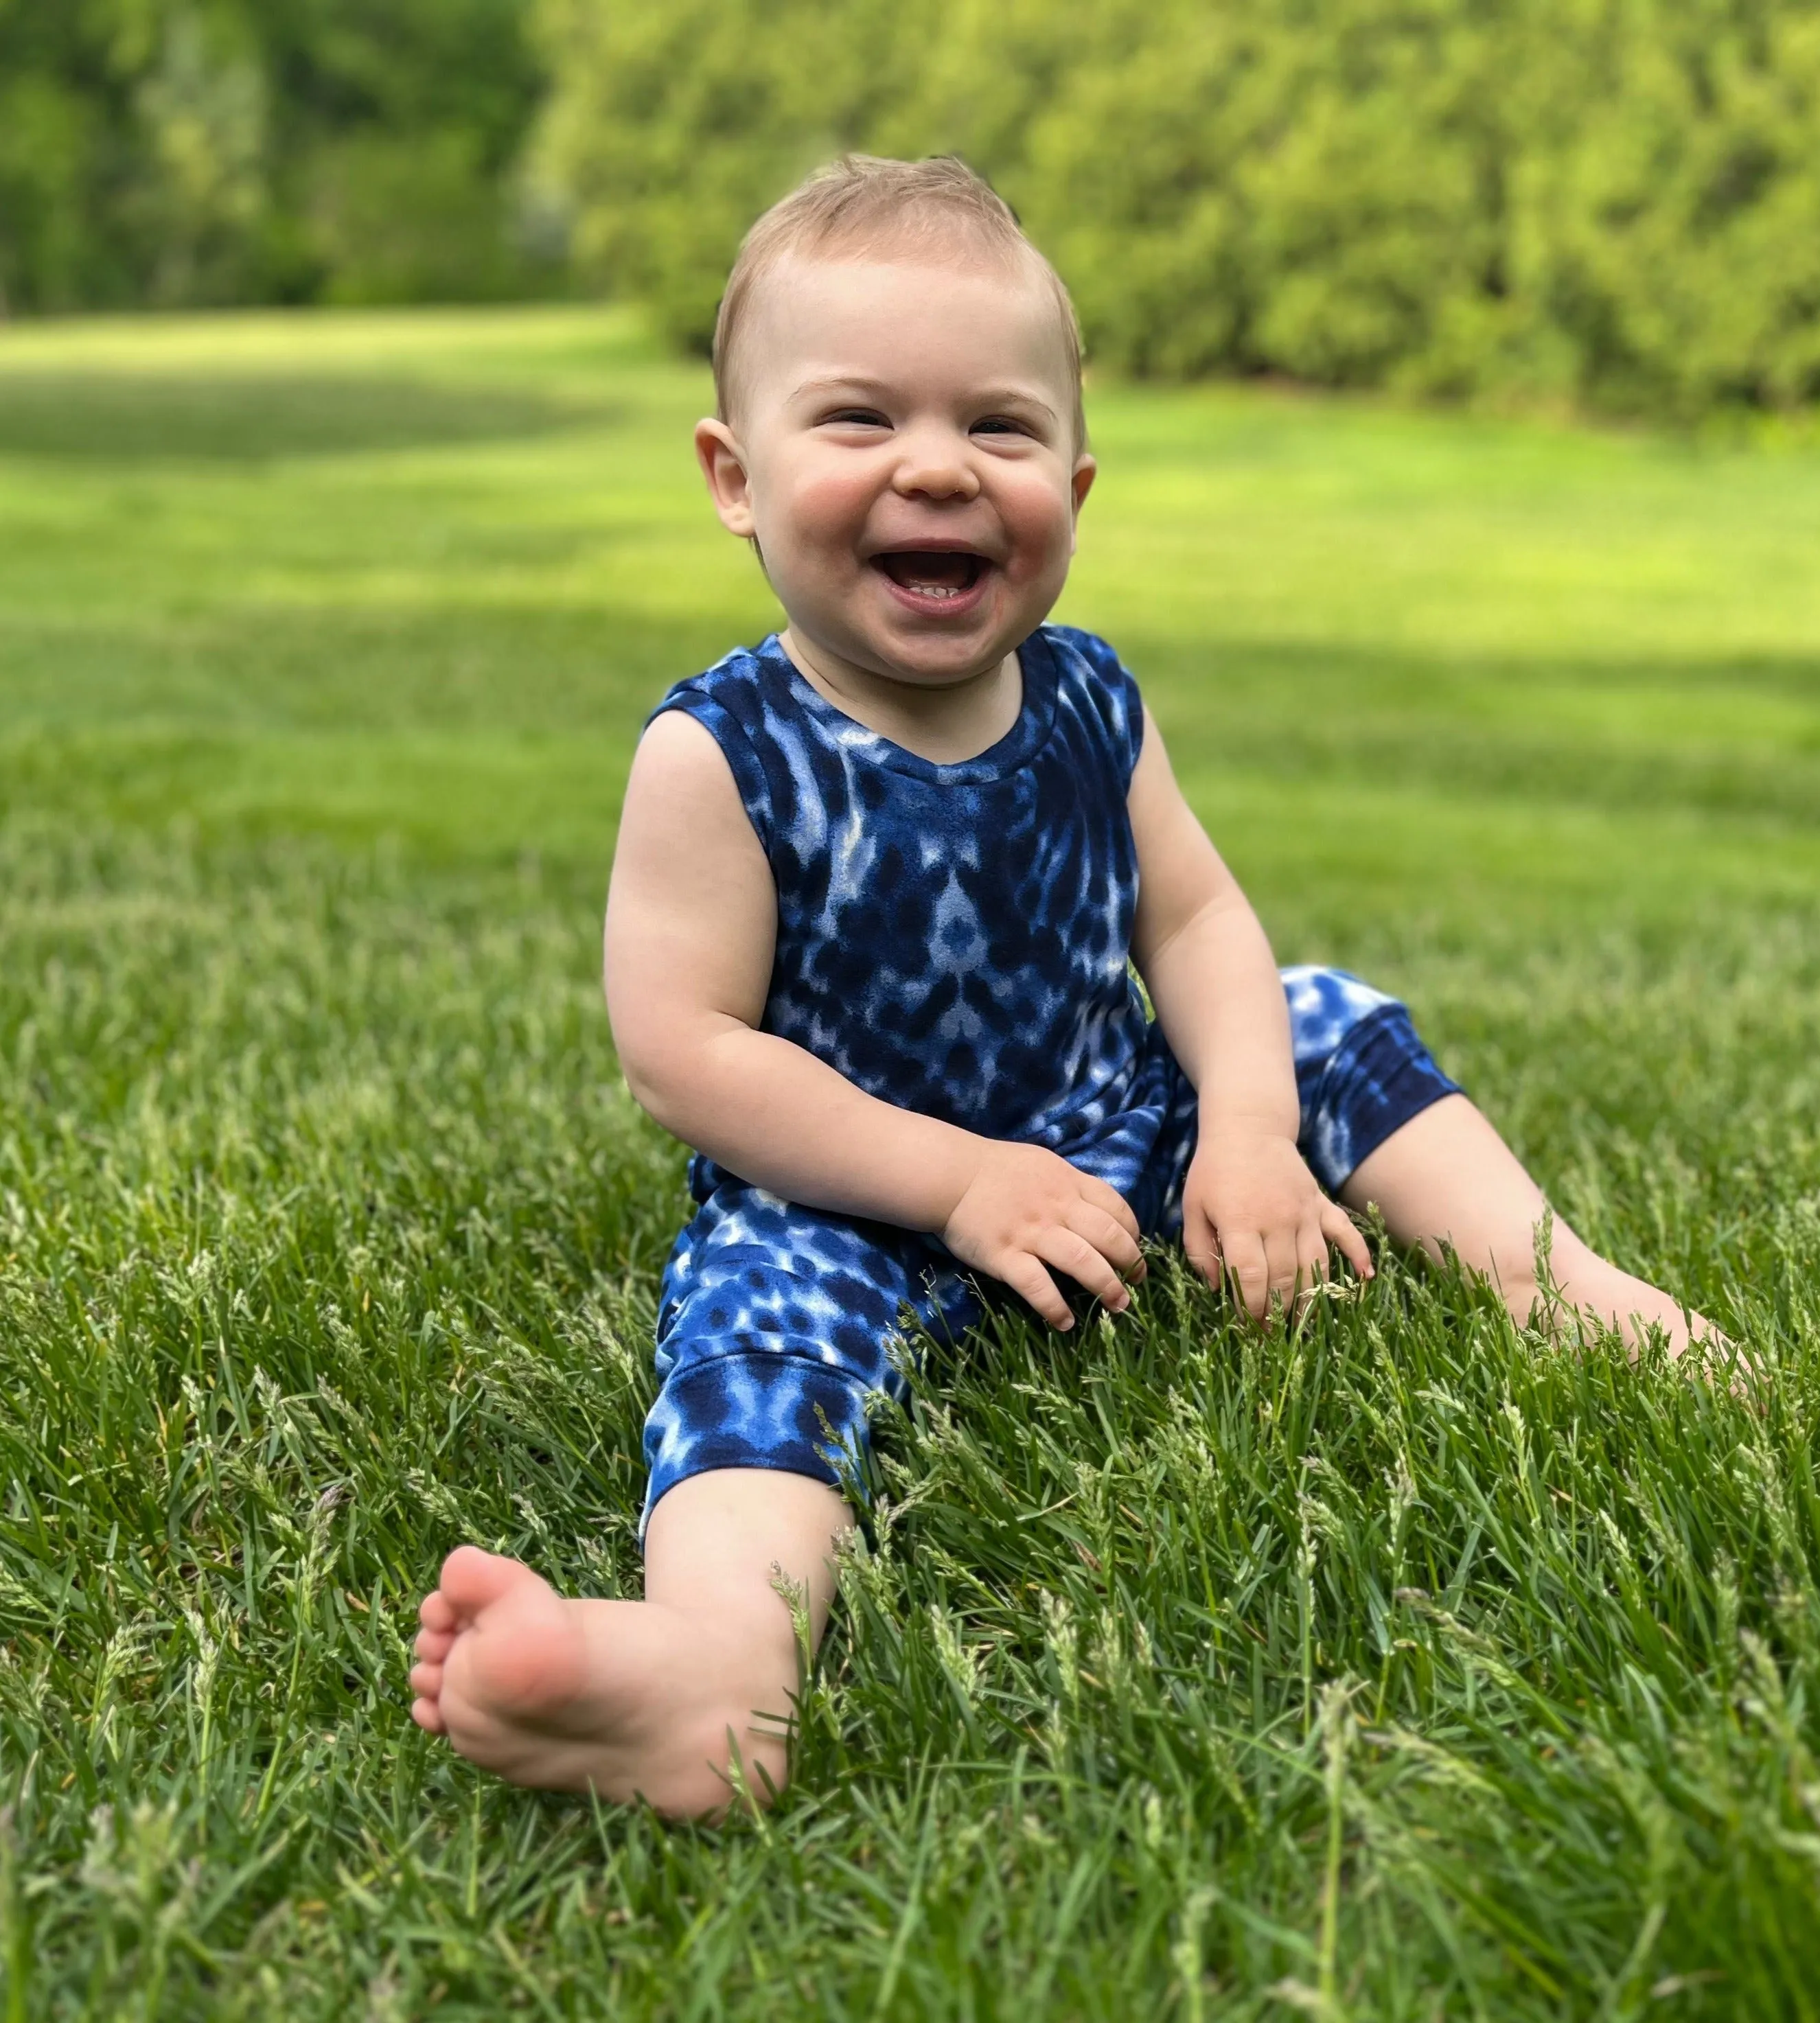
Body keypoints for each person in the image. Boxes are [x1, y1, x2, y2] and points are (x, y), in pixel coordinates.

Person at [408, 155, 1717, 1818]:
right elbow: (683, 1053)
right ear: (735, 478)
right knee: (755, 1350)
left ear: (1078, 485)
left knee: (1316, 1009)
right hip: (853, 1191)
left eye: (1001, 430)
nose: (939, 468)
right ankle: (713, 1676)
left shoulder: (1090, 700)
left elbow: (1196, 922)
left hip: (1111, 1128)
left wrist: (1241, 1130)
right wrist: (950, 1181)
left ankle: (1555, 1283)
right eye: (862, 420)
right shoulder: (718, 754)